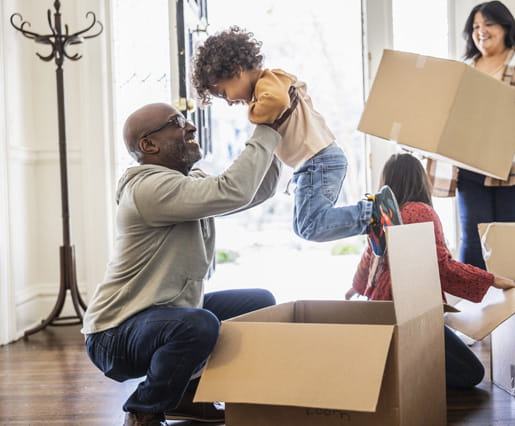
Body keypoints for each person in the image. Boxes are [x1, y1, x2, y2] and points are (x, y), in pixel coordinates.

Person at [82, 101, 289, 426]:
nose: (190, 126)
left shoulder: (186, 182)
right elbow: (233, 190)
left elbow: (252, 192)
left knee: (259, 304)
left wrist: (277, 132)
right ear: (148, 145)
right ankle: (143, 410)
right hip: (115, 334)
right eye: (176, 123)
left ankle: (190, 397)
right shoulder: (148, 188)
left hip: (161, 314)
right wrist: (265, 130)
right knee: (197, 324)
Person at [191, 25, 402, 257]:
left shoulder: (269, 82)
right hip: (316, 162)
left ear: (237, 70)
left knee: (310, 226)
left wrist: (253, 115)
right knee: (304, 226)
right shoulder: (267, 86)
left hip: (319, 161)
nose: (229, 101)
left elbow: (277, 102)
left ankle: (372, 213)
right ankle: (372, 220)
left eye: (223, 93)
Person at [345, 153, 515, 388]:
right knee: (472, 373)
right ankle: (402, 379)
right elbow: (440, 266)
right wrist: (491, 279)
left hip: (382, 312)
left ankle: (393, 368)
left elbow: (369, 257)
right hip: (412, 314)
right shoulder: (421, 212)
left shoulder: (381, 215)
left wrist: (356, 287)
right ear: (419, 180)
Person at [426, 0, 515, 270]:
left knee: (510, 242)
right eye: (475, 26)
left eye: (488, 24)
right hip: (470, 165)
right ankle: (474, 307)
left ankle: (513, 306)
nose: (481, 31)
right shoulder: (466, 64)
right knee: (473, 240)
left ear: (505, 26)